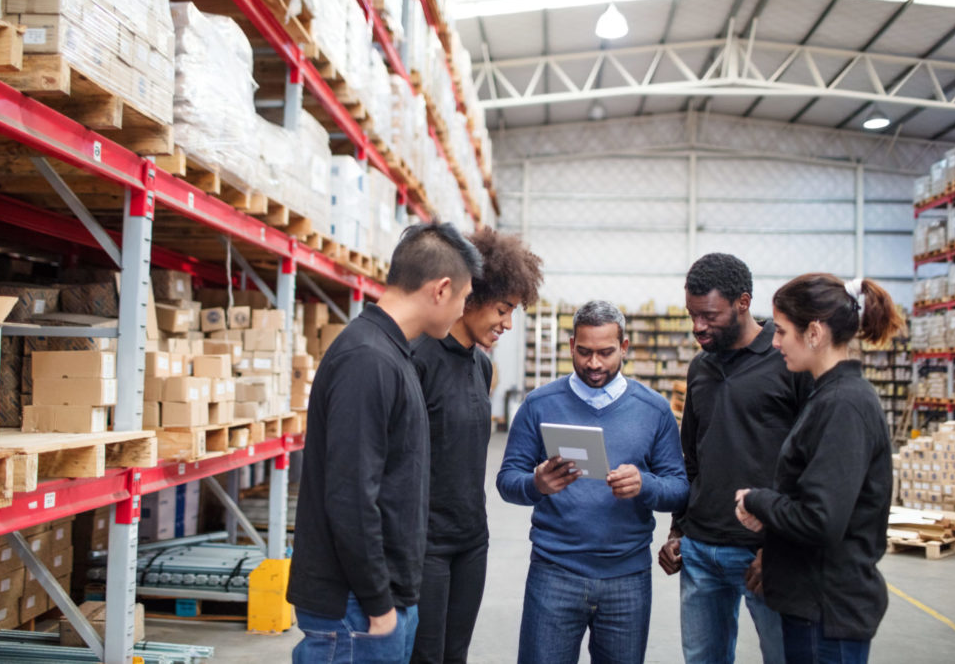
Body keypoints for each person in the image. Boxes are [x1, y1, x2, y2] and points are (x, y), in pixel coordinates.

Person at [288, 222, 483, 664]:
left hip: (376, 604)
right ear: (441, 289)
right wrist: (379, 604)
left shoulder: (393, 353)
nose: (462, 311)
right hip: (356, 612)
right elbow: (351, 495)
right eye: (465, 298)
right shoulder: (368, 360)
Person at [497, 300, 689, 664]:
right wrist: (536, 484)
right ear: (571, 345)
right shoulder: (539, 405)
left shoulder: (654, 410)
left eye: (605, 352)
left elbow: (679, 488)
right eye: (584, 352)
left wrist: (644, 485)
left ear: (625, 348)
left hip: (627, 578)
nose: (594, 363)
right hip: (554, 573)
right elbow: (507, 480)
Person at [735, 274, 905, 664]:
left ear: (814, 332)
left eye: (781, 331)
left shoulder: (842, 406)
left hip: (826, 611)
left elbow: (821, 519)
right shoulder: (829, 395)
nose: (774, 342)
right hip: (815, 605)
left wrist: (758, 502)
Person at [658, 254, 811, 664]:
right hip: (701, 552)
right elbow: (691, 457)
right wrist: (678, 531)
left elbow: (807, 467)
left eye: (709, 315)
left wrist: (778, 549)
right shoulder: (700, 368)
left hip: (765, 556)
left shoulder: (788, 362)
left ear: (743, 302)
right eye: (692, 315)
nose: (698, 327)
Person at [410, 228, 543, 664]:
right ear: (471, 296)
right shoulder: (418, 359)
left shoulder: (483, 368)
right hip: (425, 542)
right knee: (424, 656)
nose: (507, 323)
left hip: (471, 539)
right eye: (503, 310)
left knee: (455, 655)